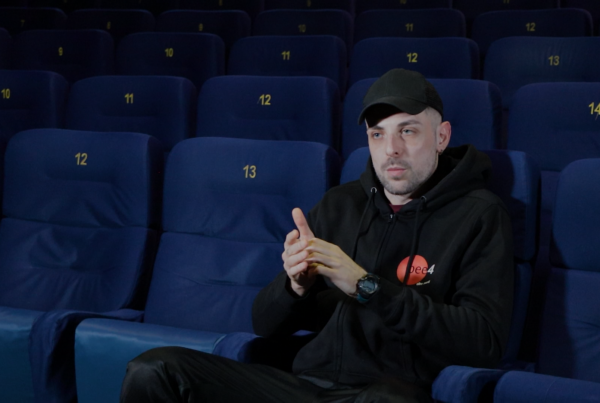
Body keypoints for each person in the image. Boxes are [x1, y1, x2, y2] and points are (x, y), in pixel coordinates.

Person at [120, 68, 514, 403]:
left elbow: (483, 342)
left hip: (387, 393)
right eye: (377, 135)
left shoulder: (479, 214)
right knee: (155, 370)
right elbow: (264, 324)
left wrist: (366, 286)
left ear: (442, 136)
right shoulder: (340, 204)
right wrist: (295, 287)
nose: (391, 149)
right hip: (305, 386)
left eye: (407, 131)